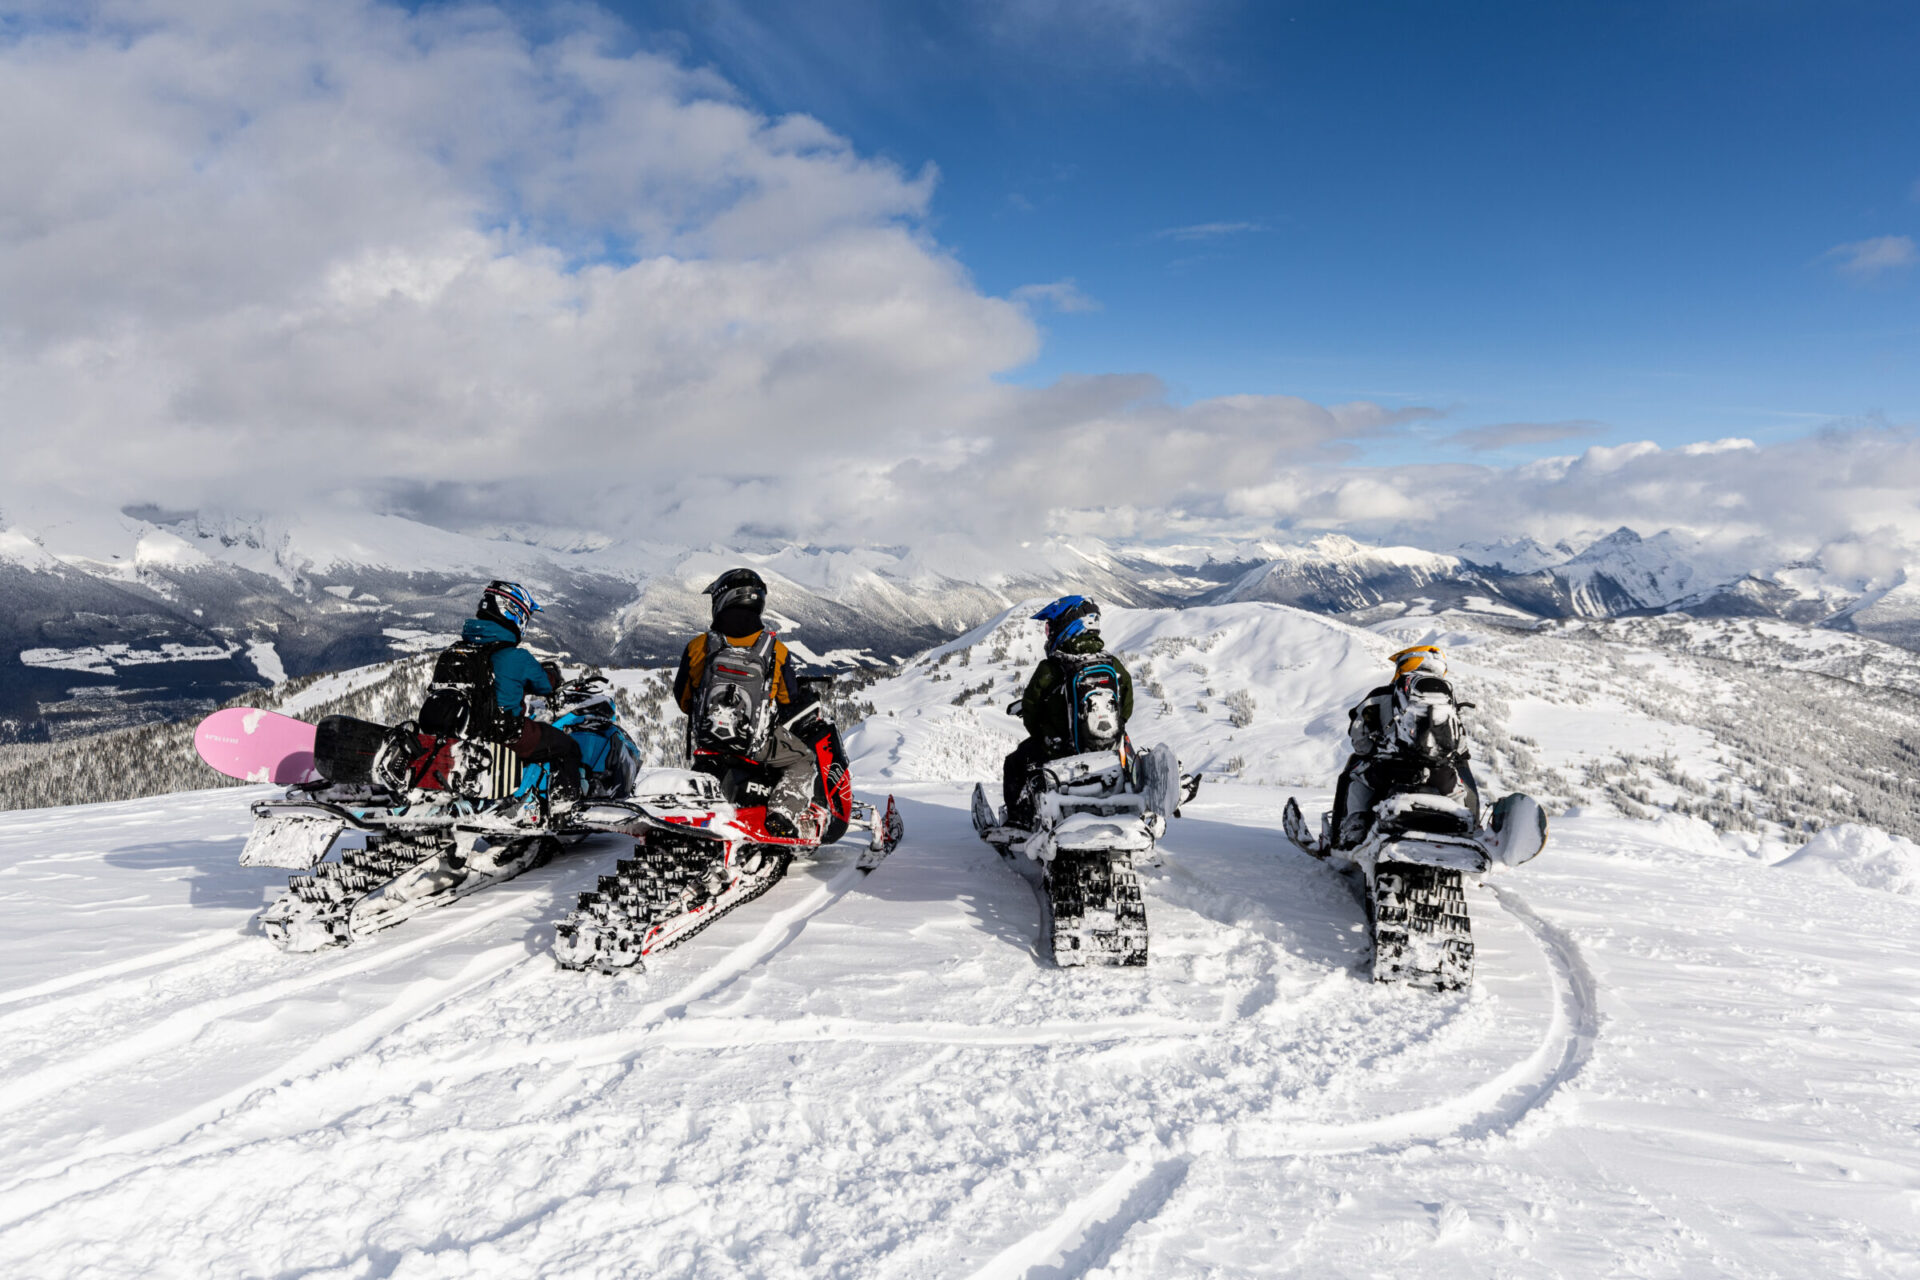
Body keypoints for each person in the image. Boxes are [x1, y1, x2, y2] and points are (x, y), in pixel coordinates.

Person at [672, 567, 818, 838]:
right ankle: (782, 812)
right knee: (803, 759)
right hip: (756, 745)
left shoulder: (698, 646)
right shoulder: (776, 649)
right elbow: (788, 700)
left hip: (709, 742)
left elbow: (683, 700)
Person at [421, 580, 584, 810]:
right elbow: (545, 685)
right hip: (504, 734)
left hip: (460, 736)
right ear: (513, 612)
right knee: (567, 747)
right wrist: (553, 676)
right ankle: (564, 809)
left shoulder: (455, 651)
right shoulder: (516, 657)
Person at [1329, 644, 1480, 848]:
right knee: (1458, 791)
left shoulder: (1382, 695)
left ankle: (1355, 828)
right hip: (1440, 776)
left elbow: (1358, 733)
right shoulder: (1447, 700)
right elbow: (1460, 743)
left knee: (1357, 780)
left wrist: (1370, 751)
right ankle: (1465, 833)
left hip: (1388, 772)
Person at [1001, 596, 1134, 827]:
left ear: (1067, 625)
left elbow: (1031, 711)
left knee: (1014, 763)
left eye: (1050, 627)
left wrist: (1047, 735)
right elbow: (1127, 706)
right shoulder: (1112, 664)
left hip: (1059, 751)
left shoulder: (1051, 668)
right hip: (1108, 751)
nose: (1048, 633)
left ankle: (1017, 821)